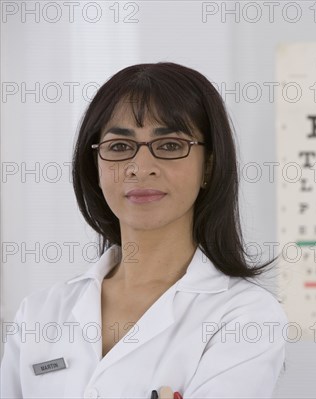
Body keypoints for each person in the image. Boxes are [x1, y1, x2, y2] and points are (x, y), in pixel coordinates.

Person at [0, 62, 288, 398]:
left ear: (208, 165)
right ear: (96, 165)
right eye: (120, 147)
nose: (141, 168)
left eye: (169, 145)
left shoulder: (246, 318)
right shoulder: (40, 313)